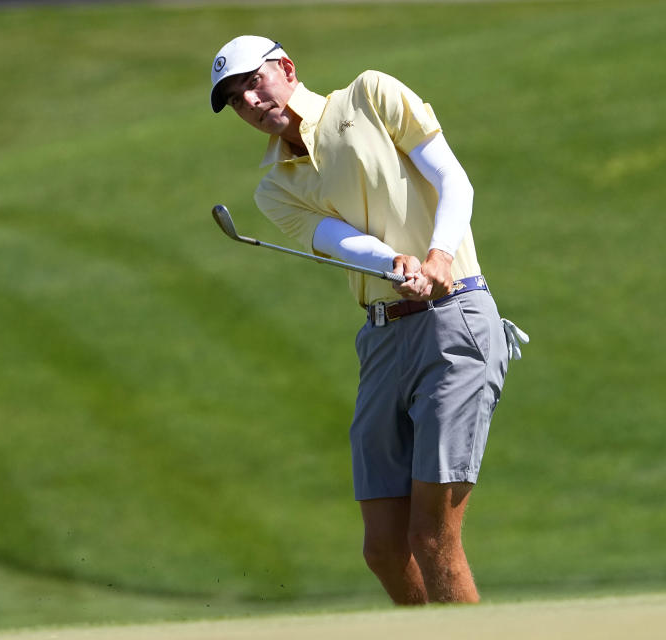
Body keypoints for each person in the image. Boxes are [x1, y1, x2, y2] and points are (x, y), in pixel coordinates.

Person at [209, 35, 528, 604]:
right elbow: (336, 239)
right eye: (235, 99)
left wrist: (438, 256)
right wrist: (394, 261)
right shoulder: (275, 187)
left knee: (431, 535)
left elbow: (454, 181)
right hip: (382, 339)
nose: (251, 102)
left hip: (454, 321)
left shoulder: (369, 96)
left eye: (254, 82)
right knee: (384, 549)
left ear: (286, 68)